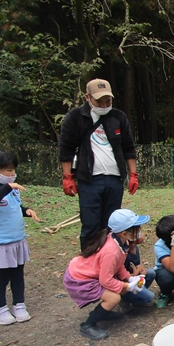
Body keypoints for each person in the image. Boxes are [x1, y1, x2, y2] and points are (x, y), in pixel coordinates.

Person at [59, 79, 139, 250]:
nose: (104, 105)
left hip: (114, 180)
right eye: (99, 101)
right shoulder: (75, 117)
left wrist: (133, 174)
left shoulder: (118, 117)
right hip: (89, 180)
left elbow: (128, 148)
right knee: (90, 224)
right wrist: (67, 177)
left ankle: (110, 263)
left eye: (108, 101)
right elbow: (66, 149)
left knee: (112, 225)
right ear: (87, 97)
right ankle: (89, 266)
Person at [63, 209, 151, 340]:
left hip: (93, 274)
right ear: (124, 233)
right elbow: (106, 280)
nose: (140, 230)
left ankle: (104, 312)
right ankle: (88, 325)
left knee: (116, 293)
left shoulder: (122, 242)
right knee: (113, 298)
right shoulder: (111, 250)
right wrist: (127, 286)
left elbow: (119, 265)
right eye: (136, 228)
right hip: (80, 278)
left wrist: (129, 278)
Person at [0, 151, 40, 325]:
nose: (12, 174)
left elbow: (16, 206)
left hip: (17, 240)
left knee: (18, 275)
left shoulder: (13, 189)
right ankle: (0, 309)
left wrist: (26, 211)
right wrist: (7, 187)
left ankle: (19, 305)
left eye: (13, 170)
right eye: (9, 170)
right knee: (1, 277)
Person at [120, 227, 156, 312]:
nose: (144, 234)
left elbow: (136, 265)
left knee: (151, 273)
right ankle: (125, 300)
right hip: (126, 284)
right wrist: (135, 275)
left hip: (134, 278)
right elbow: (120, 276)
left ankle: (137, 298)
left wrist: (140, 271)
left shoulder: (135, 248)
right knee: (150, 297)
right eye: (141, 233)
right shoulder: (123, 254)